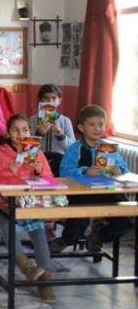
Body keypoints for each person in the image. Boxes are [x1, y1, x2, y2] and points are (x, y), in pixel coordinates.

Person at [0, 114, 55, 303]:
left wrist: (39, 171)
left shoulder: (36, 152)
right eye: (15, 130)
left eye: (24, 130)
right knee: (7, 225)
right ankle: (26, 267)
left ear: (30, 132)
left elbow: (49, 179)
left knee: (39, 233)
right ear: (8, 134)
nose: (20, 134)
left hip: (31, 203)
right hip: (7, 203)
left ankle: (45, 281)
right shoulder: (0, 153)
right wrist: (9, 170)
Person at [52, 105, 133, 253]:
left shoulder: (109, 148)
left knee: (126, 219)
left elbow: (125, 169)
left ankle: (98, 236)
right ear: (81, 128)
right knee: (79, 221)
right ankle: (66, 239)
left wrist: (118, 170)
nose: (97, 128)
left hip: (106, 191)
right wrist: (84, 171)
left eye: (101, 124)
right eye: (92, 124)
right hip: (80, 193)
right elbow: (64, 172)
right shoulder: (74, 148)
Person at [27, 84, 75, 176]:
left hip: (59, 159)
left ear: (59, 101)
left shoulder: (65, 121)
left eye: (54, 98)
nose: (50, 101)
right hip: (39, 158)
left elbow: (72, 147)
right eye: (46, 98)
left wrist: (60, 135)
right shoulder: (32, 120)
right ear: (40, 101)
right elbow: (28, 148)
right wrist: (39, 134)